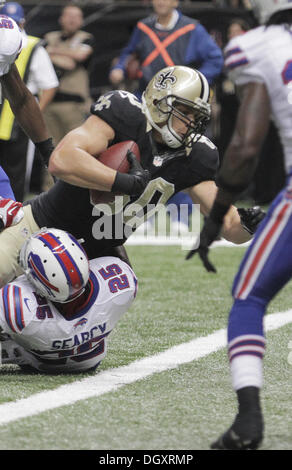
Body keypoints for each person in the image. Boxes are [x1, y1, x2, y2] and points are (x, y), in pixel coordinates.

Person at [0, 65, 264, 288]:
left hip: (96, 257)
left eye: (198, 118)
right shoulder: (125, 114)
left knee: (119, 291)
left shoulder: (197, 156)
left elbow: (227, 225)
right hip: (43, 226)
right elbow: (61, 160)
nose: (192, 124)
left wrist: (248, 225)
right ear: (161, 103)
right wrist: (125, 182)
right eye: (187, 113)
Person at [188, 0, 292, 450]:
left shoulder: (258, 46)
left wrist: (217, 216)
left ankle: (248, 422)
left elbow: (246, 147)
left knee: (248, 297)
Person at [109, 0, 224, 233]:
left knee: (182, 156)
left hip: (182, 107)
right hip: (151, 102)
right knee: (143, 154)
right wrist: (120, 66)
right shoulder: (144, 27)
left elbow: (216, 59)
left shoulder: (191, 29)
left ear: (175, 2)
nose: (161, 1)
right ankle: (142, 212)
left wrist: (194, 83)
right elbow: (128, 53)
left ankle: (180, 214)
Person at [0, 227, 137, 373]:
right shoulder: (123, 282)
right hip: (89, 361)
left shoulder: (18, 304)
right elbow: (119, 255)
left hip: (38, 362)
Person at [0, 2, 59, 202]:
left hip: (12, 130)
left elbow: (21, 98)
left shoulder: (5, 38)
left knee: (11, 213)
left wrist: (47, 152)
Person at [44, 3, 95, 145]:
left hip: (74, 105)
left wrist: (52, 52)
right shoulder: (50, 37)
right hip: (49, 103)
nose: (72, 20)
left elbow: (76, 59)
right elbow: (42, 56)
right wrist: (66, 56)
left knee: (75, 147)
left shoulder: (86, 38)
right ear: (61, 18)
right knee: (50, 150)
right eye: (68, 16)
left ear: (82, 20)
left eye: (76, 16)